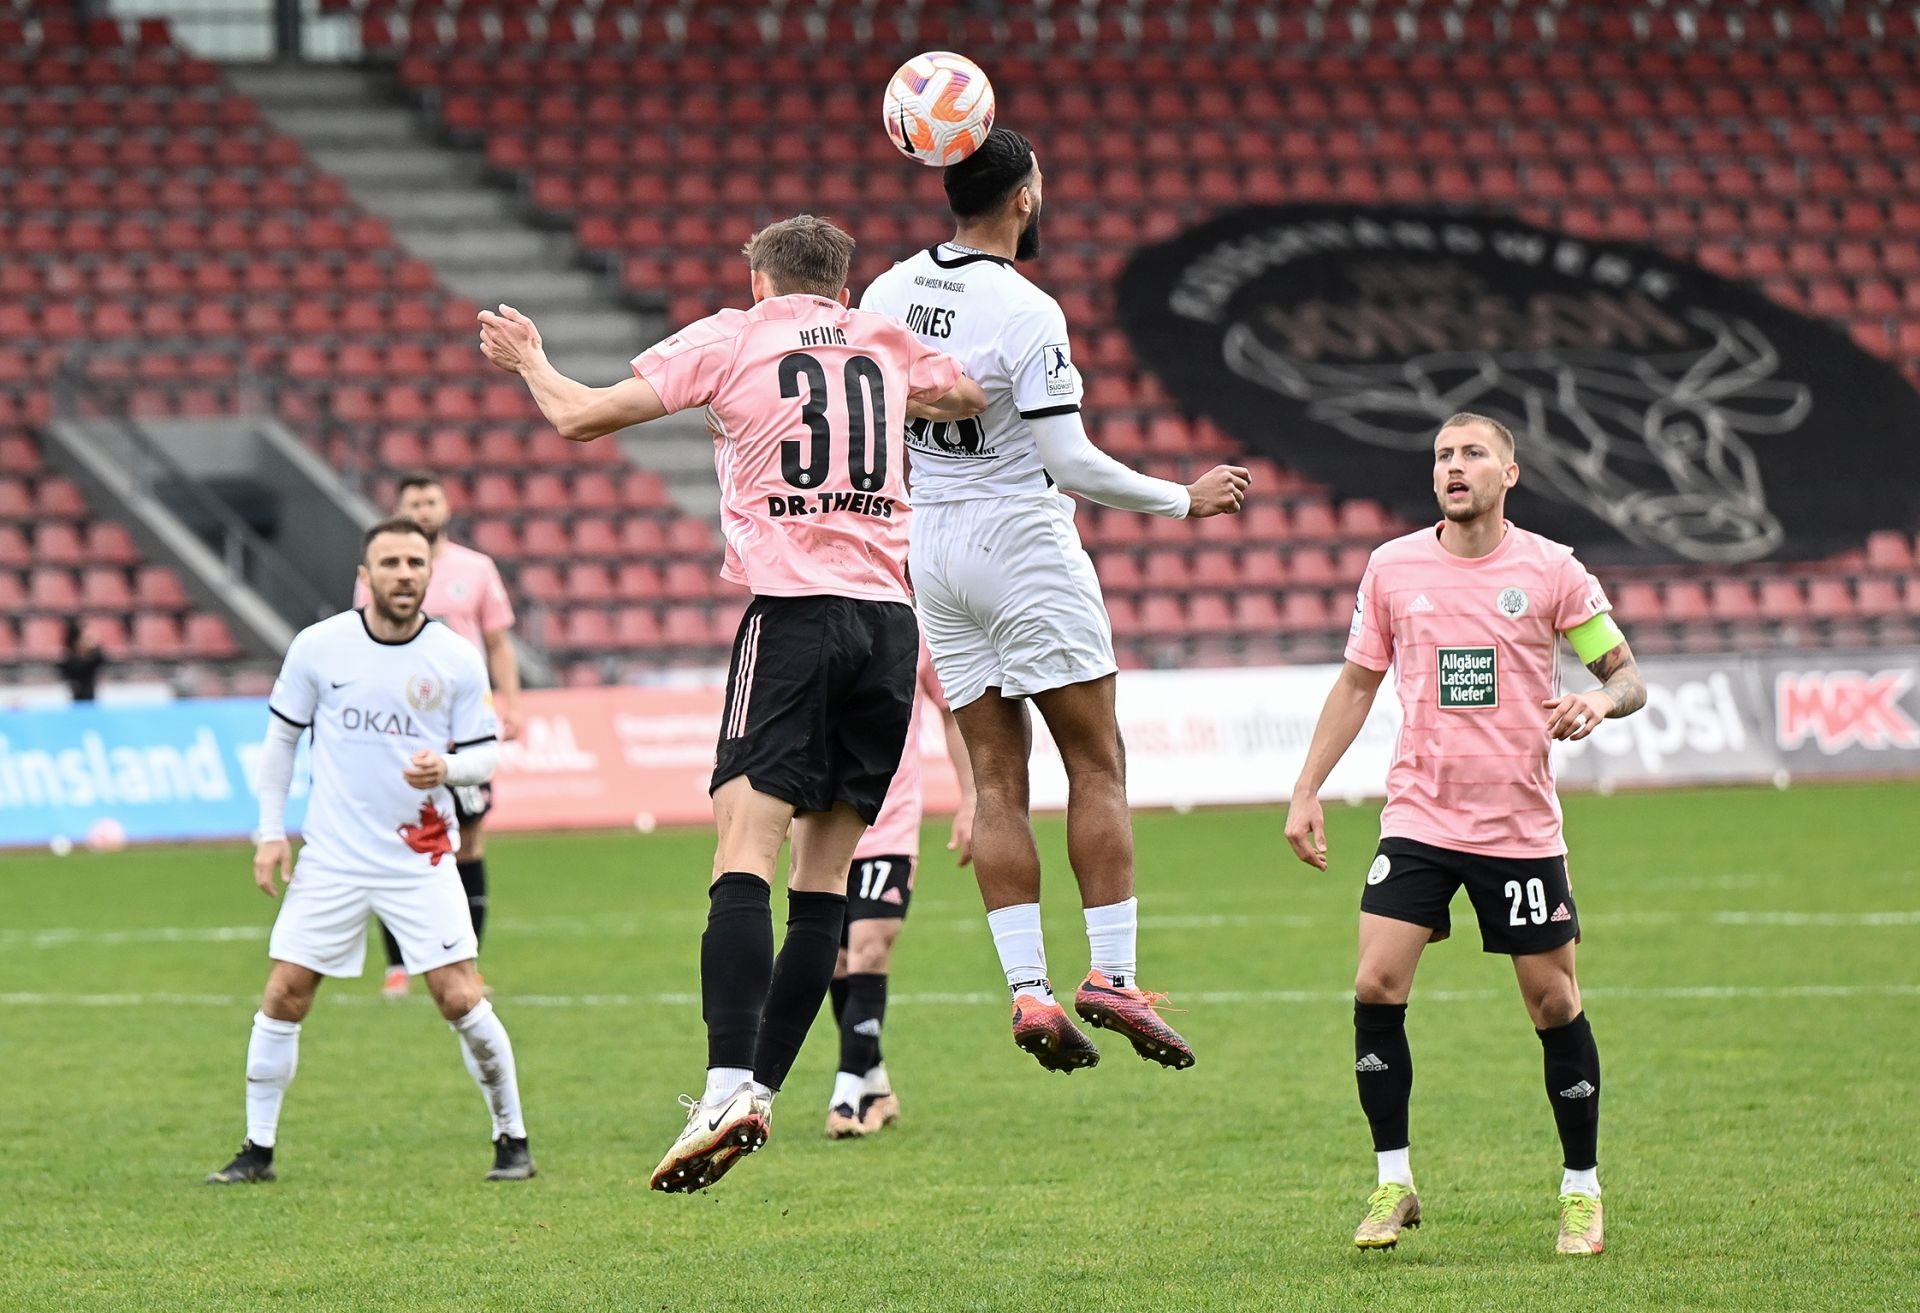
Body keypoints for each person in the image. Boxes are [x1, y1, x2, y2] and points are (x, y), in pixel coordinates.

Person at [477, 214, 984, 1192]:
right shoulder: (886, 339)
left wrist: (531, 361)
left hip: (794, 618)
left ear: (759, 281)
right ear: (843, 287)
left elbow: (581, 417)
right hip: (890, 625)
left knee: (742, 854)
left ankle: (721, 1087)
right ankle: (761, 1090)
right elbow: (964, 391)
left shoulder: (733, 336)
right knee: (824, 884)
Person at [861, 128, 1250, 1073]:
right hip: (1019, 540)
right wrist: (1183, 498)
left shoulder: (886, 291)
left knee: (997, 781)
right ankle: (1111, 974)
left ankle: (1028, 989)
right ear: (1023, 199)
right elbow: (1068, 460)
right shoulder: (1027, 309)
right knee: (1096, 762)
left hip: (933, 547)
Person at [1282, 412, 1647, 1256]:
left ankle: (1582, 1190)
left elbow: (1626, 673)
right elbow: (1356, 684)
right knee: (1375, 983)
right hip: (1420, 817)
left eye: (1473, 453)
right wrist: (1306, 788)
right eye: (1443, 454)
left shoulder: (1552, 569)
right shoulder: (1392, 566)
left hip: (1520, 827)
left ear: (1508, 474)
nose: (1454, 465)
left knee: (1553, 1002)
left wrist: (1598, 699)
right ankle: (1393, 1182)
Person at [206, 517, 534, 1186]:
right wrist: (270, 832)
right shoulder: (319, 647)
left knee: (459, 995)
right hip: (333, 857)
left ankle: (512, 1139)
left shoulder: (454, 658)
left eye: (415, 562)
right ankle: (256, 1150)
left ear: (428, 574)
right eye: (390, 563)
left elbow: (485, 755)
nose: (404, 573)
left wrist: (446, 768)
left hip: (421, 855)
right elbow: (281, 742)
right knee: (285, 993)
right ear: (365, 576)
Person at [351, 472, 522, 1000]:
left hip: (461, 727)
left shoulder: (476, 568)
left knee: (469, 843)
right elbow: (364, 640)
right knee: (396, 840)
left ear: (446, 507)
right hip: (400, 728)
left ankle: (468, 963)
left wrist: (511, 701)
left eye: (431, 501)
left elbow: (498, 642)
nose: (424, 510)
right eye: (414, 503)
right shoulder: (382, 569)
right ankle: (398, 965)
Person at [824, 641, 974, 1139]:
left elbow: (952, 712)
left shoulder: (917, 630)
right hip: (825, 825)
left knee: (869, 951)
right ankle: (877, 1088)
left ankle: (845, 1099)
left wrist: (971, 797)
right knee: (836, 962)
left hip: (889, 825)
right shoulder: (825, 623)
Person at [58, 618, 105, 702]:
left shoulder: (94, 658)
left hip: (90, 699)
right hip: (74, 699)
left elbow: (100, 660)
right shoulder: (68, 660)